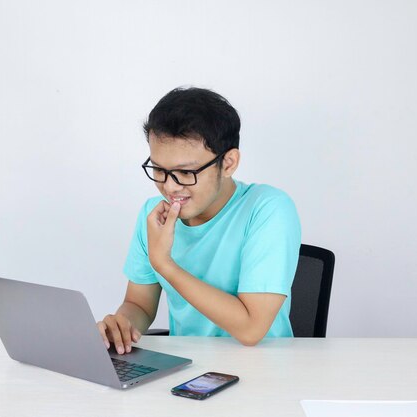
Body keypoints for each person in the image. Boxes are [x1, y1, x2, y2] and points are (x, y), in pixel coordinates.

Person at [97, 87, 301, 354]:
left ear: (228, 163)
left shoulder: (268, 209)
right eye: (159, 169)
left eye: (185, 172)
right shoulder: (154, 214)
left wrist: (164, 264)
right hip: (187, 367)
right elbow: (140, 306)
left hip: (263, 368)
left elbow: (251, 329)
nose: (169, 186)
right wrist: (121, 326)